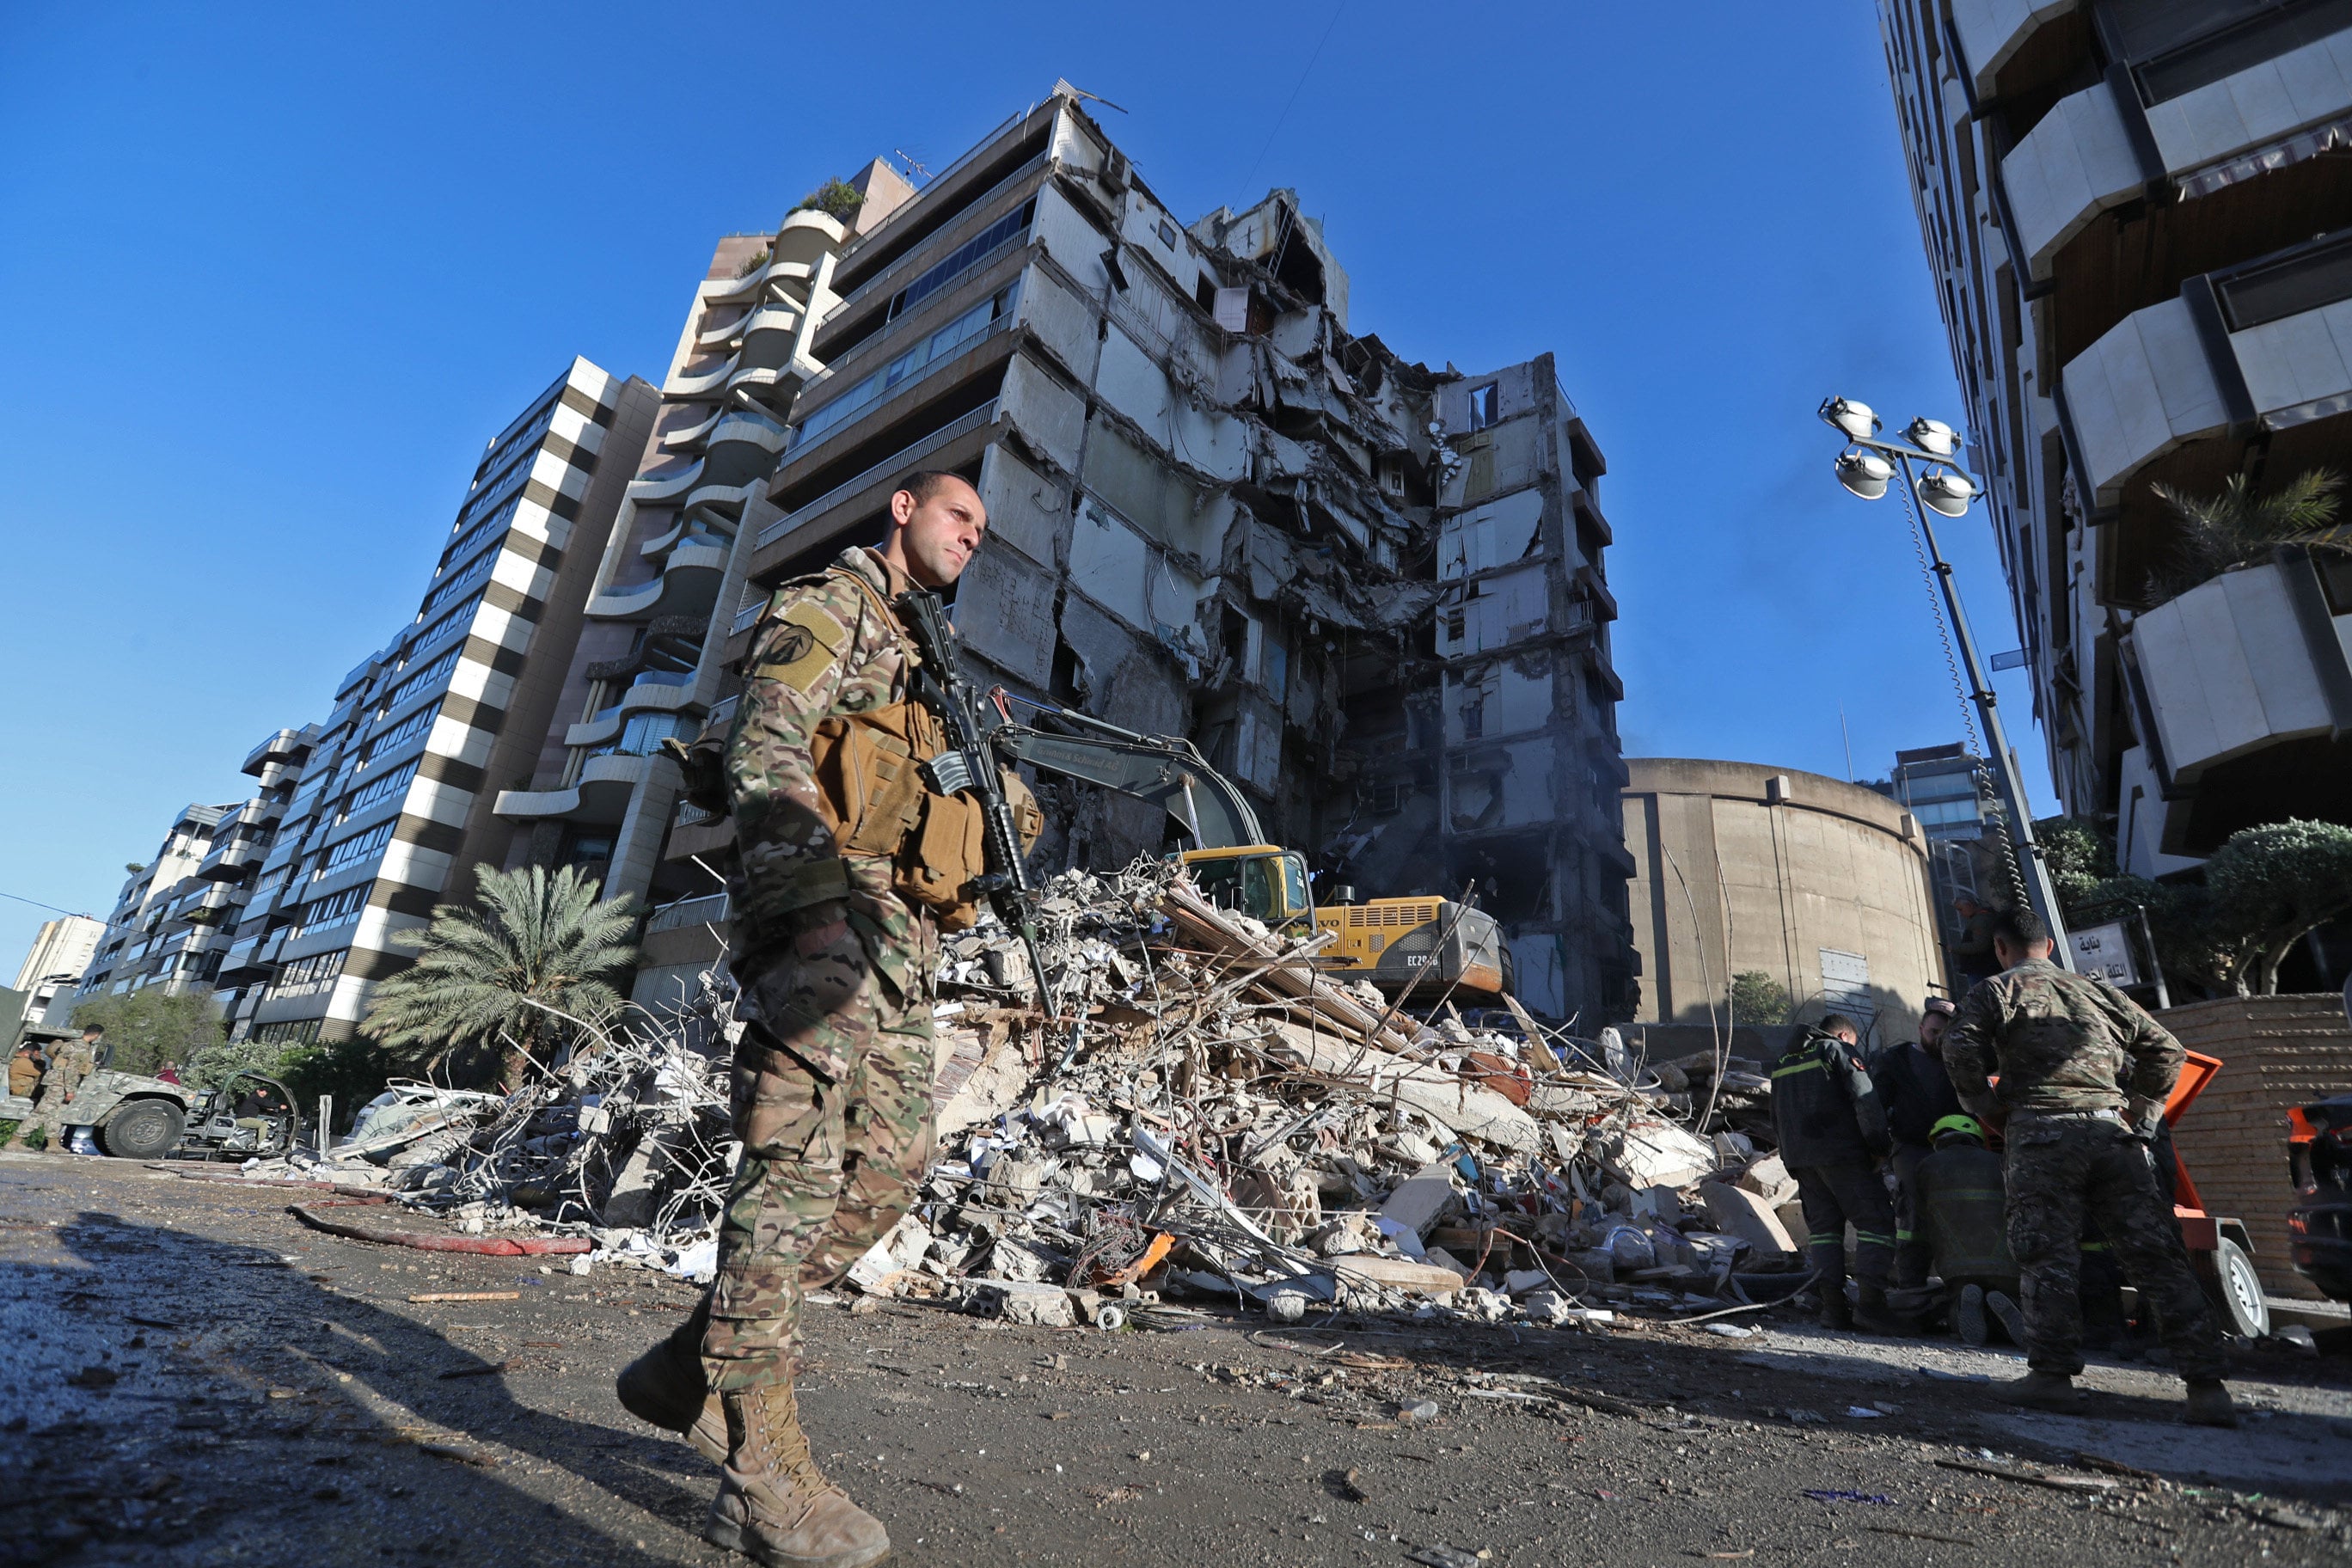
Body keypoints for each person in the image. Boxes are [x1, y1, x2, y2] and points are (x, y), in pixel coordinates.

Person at [616, 469, 997, 1568]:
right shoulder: (828, 605)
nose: (972, 537)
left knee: (887, 1172)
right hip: (832, 915)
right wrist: (809, 913)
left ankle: (692, 1367)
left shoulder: (931, 664)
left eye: (980, 529)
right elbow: (766, 748)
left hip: (905, 940)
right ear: (902, 509)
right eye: (957, 516)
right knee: (788, 1173)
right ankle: (762, 1473)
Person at [1945, 909, 2239, 1426]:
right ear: (2050, 947)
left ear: (2000, 947)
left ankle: (2052, 1378)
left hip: (2041, 1135)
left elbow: (1958, 1044)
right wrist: (2143, 1117)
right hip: (2112, 1133)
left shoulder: (1996, 990)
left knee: (2046, 1255)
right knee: (2157, 1256)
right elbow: (2166, 1049)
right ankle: (2207, 1387)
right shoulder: (2098, 991)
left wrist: (1985, 1109)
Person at [1770, 1012, 1902, 1333]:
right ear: (1844, 1037)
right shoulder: (1837, 1051)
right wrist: (1880, 1148)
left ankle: (1833, 1310)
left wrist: (1791, 1160)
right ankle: (1871, 1307)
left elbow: (1776, 1117)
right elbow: (1865, 1099)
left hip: (1803, 1162)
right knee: (1875, 1224)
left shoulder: (1782, 1063)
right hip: (1844, 1156)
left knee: (1825, 1233)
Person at [1872, 996, 1966, 1289]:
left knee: (1959, 1210)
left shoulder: (1962, 1062)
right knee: (1912, 1213)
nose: (1939, 1040)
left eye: (1945, 1034)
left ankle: (1964, 1282)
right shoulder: (1895, 1061)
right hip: (1912, 1147)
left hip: (1956, 1149)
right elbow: (1876, 1105)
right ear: (1921, 1027)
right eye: (1933, 1033)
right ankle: (1913, 1284)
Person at [1910, 1114, 2026, 1346]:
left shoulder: (1926, 1167)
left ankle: (1964, 1304)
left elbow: (1917, 1224)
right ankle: (2009, 1303)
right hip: (2006, 1266)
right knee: (2013, 1306)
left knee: (1957, 1312)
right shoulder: (2000, 1162)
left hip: (1957, 1269)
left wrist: (1912, 1281)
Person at [1951, 895, 1997, 987]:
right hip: (1980, 969)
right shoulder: (1982, 917)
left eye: (1961, 909)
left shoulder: (1981, 920)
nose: (1961, 914)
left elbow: (1979, 946)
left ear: (1969, 905)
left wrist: (1955, 948)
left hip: (1979, 969)